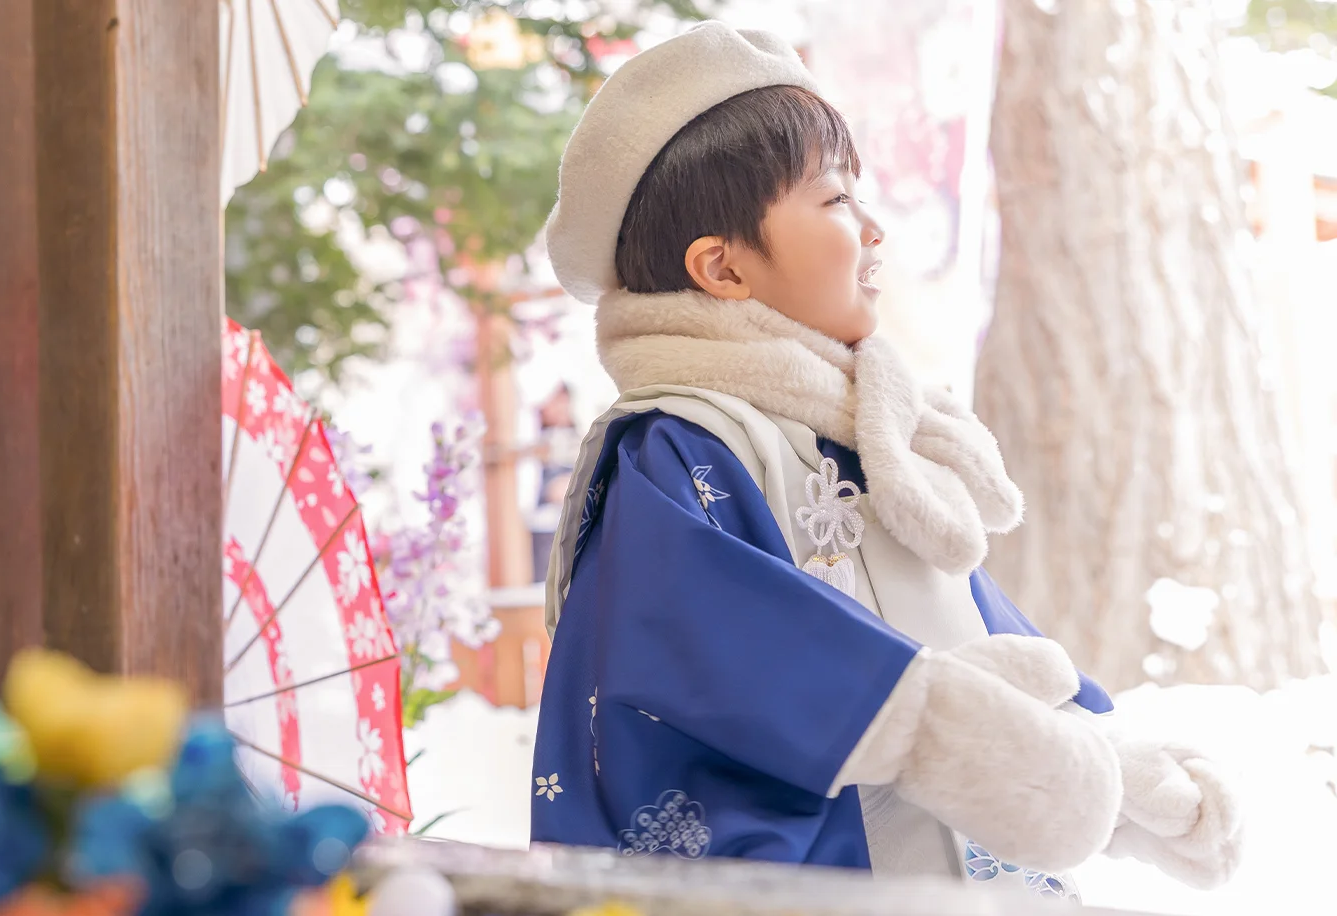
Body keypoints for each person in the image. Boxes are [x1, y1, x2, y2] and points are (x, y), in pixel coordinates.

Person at [530, 23, 1242, 900]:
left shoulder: (865, 428)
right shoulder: (678, 446)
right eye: (833, 201)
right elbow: (707, 641)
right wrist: (929, 724)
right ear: (721, 267)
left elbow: (980, 629)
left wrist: (1118, 768)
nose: (872, 230)